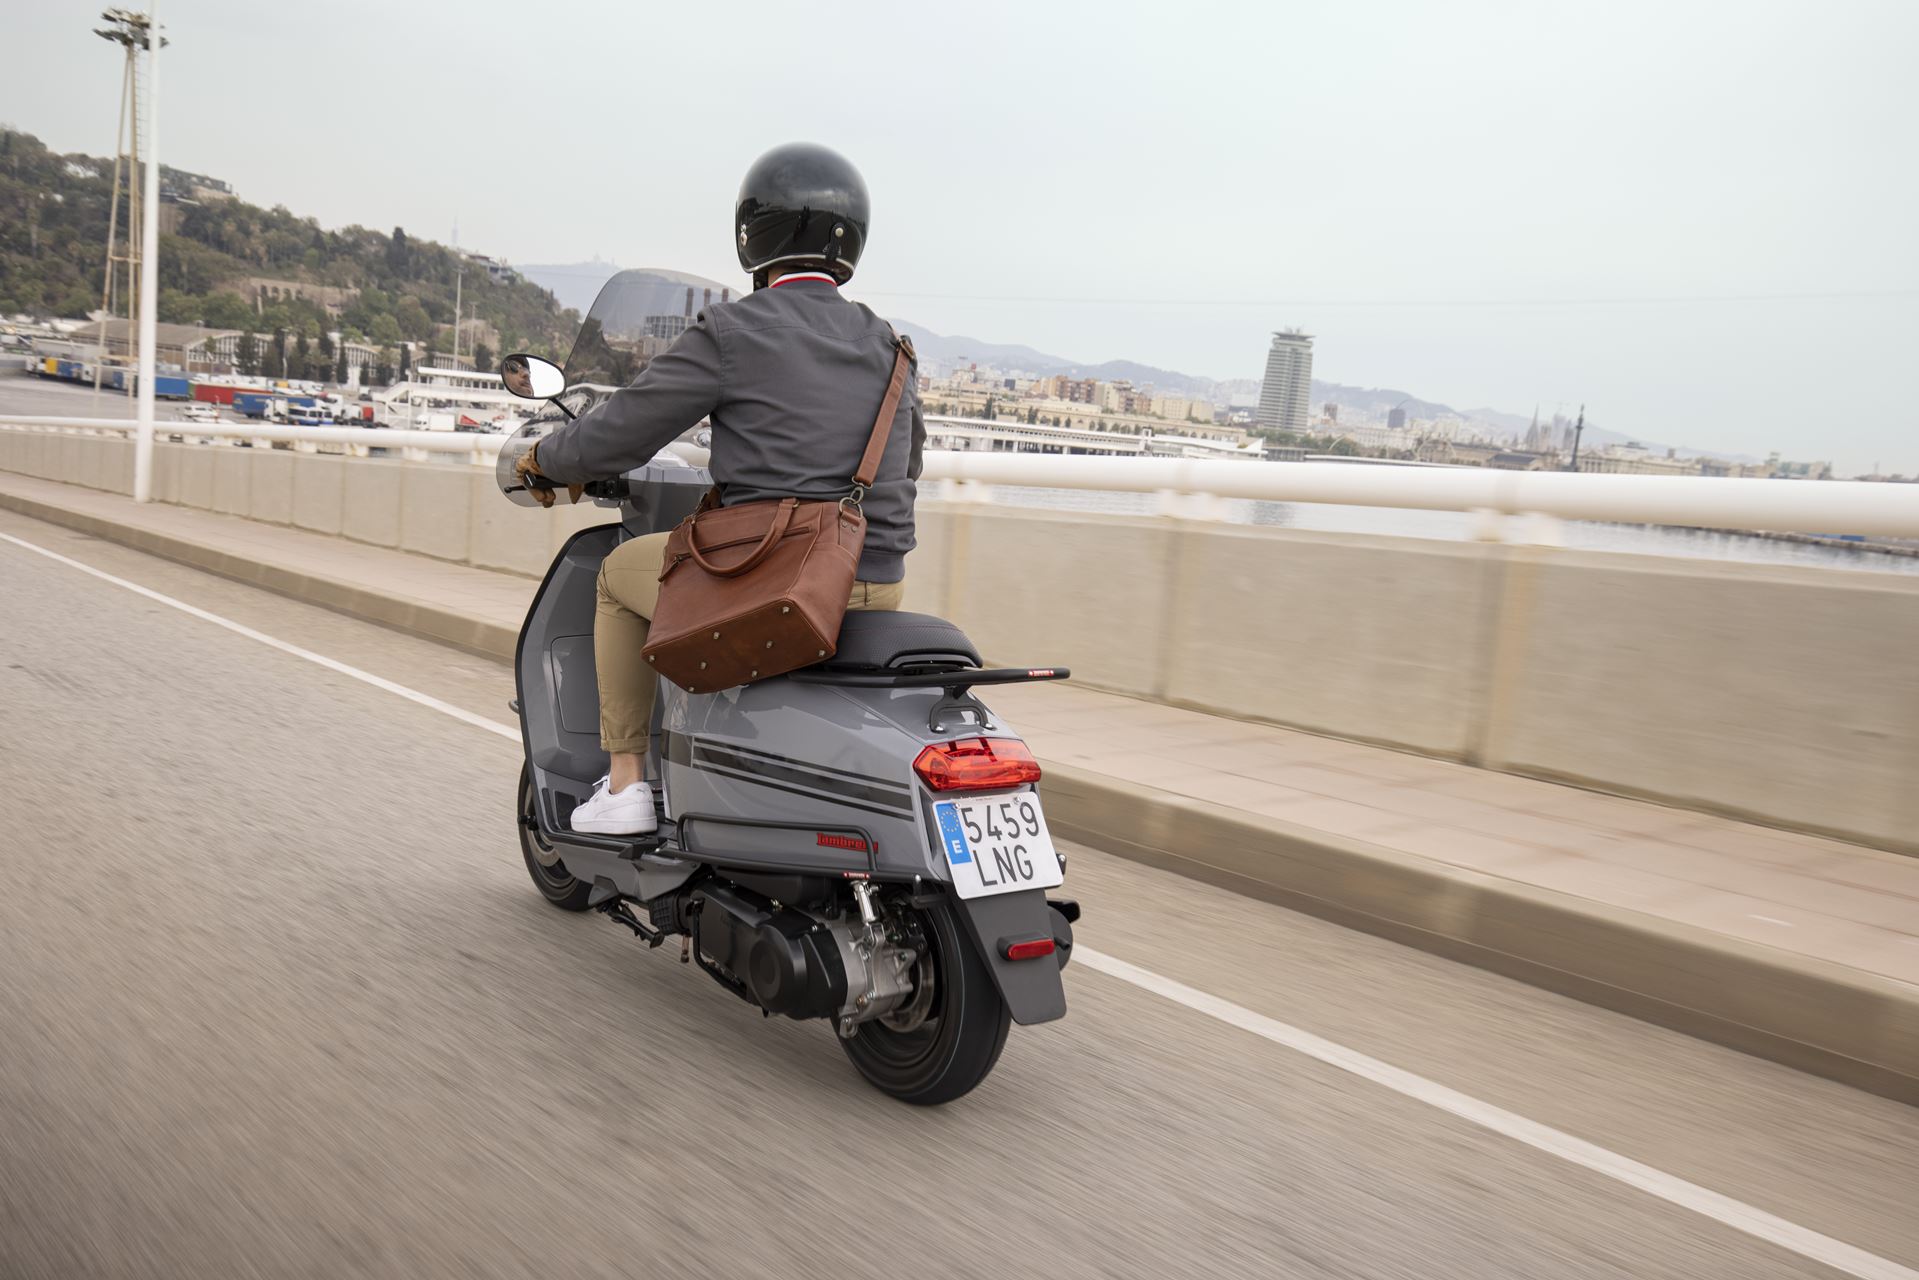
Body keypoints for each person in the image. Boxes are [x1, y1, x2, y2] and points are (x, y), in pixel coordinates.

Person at [515, 143, 924, 836]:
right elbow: (907, 464)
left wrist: (546, 459)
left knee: (616, 577)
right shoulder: (894, 347)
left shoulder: (733, 331)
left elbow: (622, 430)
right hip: (877, 582)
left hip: (778, 580)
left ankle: (625, 786)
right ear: (851, 240)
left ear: (753, 235)